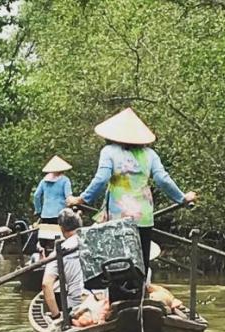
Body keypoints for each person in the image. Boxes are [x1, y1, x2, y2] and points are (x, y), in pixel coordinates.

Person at [66, 107, 196, 275]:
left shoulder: (109, 151)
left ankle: (117, 298)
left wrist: (81, 200)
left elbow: (101, 179)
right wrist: (182, 198)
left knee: (116, 264)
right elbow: (163, 179)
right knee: (140, 265)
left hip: (118, 219)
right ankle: (140, 296)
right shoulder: (150, 154)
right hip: (144, 218)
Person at [41, 208, 84, 322]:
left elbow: (46, 285)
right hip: (101, 300)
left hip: (77, 306)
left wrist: (56, 316)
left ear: (61, 228)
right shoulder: (93, 240)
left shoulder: (59, 250)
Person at [33, 155, 73, 224]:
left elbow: (36, 195)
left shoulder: (44, 180)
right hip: (60, 214)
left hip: (45, 215)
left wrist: (38, 210)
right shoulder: (65, 180)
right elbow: (69, 198)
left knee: (46, 233)